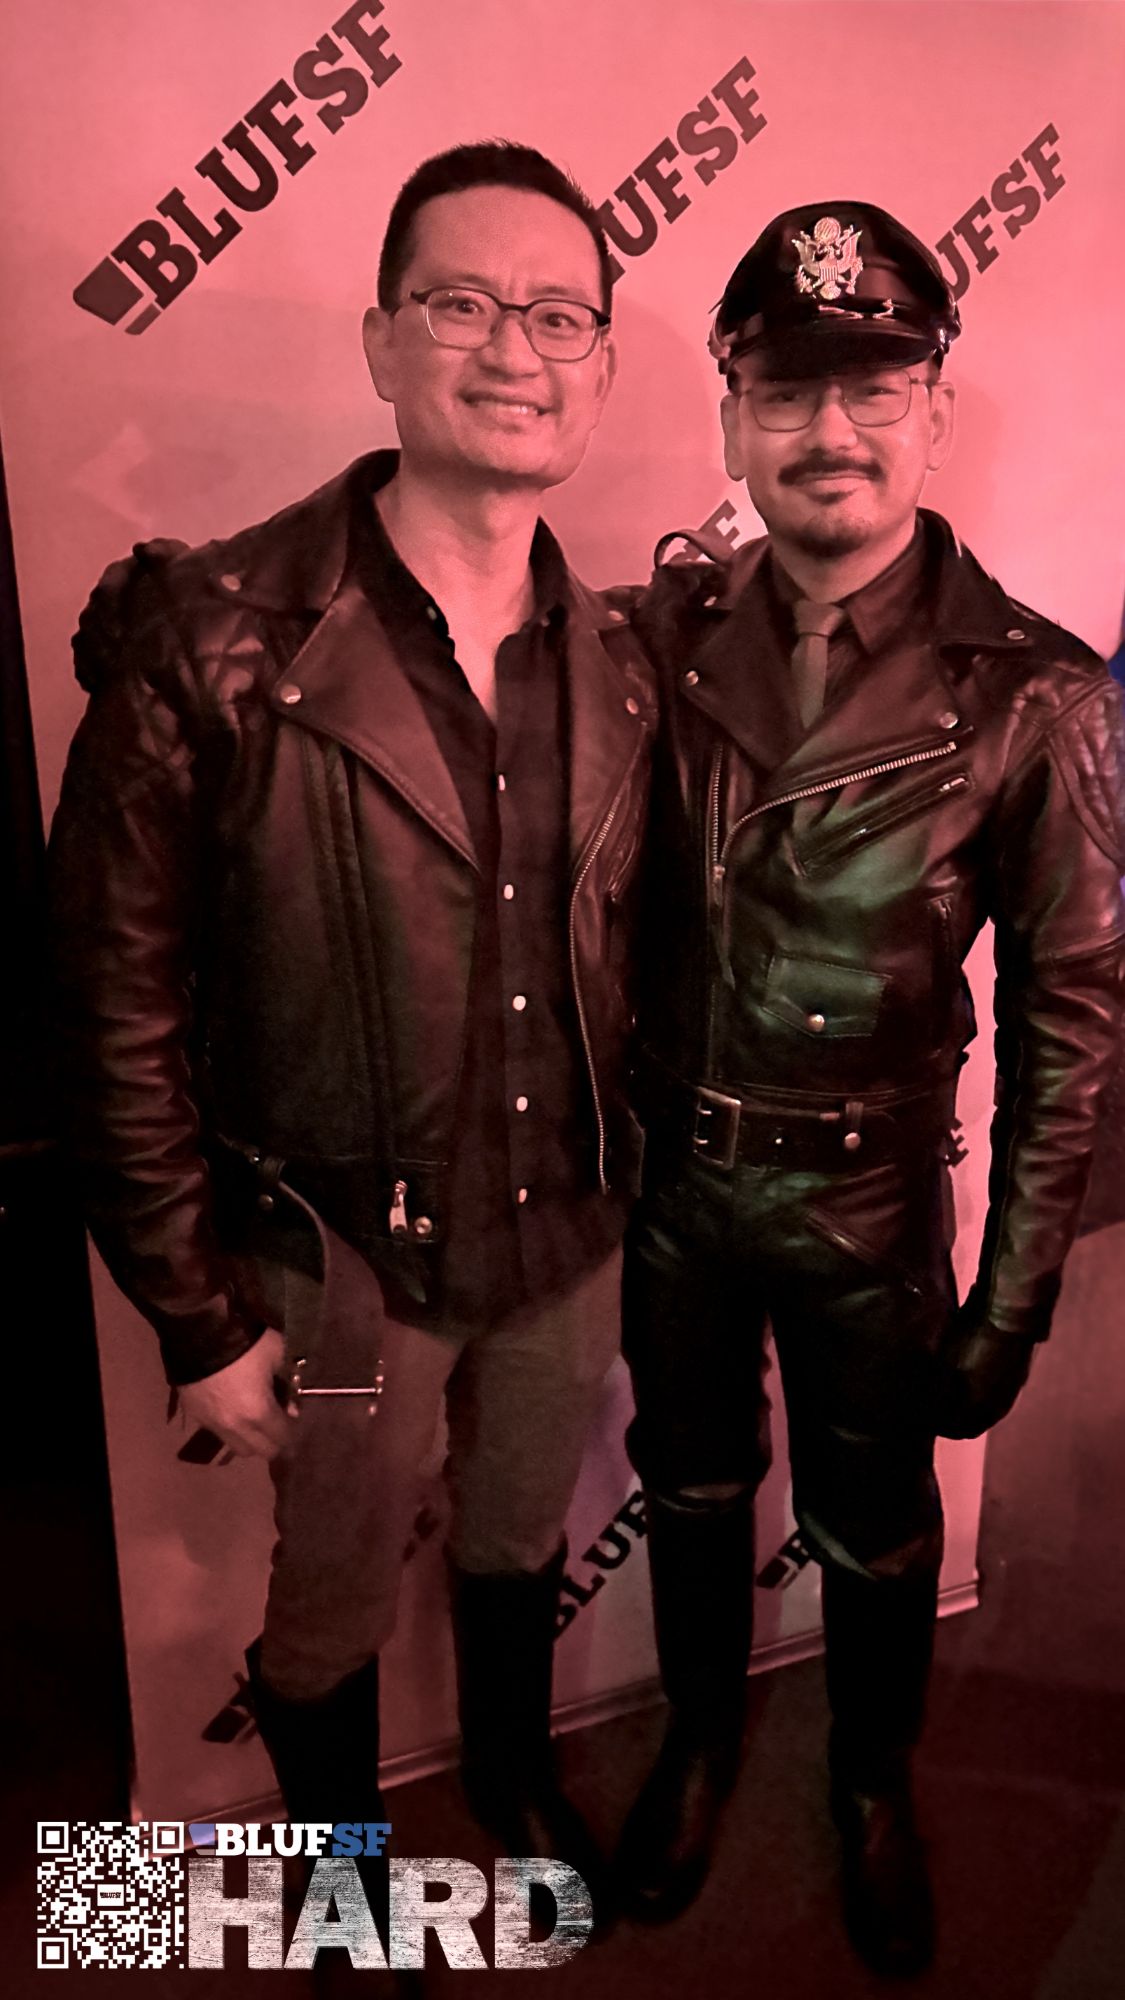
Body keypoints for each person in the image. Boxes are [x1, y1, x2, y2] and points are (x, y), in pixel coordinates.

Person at [49, 141, 654, 1926]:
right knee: (322, 1611)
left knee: (517, 1542)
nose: (513, 349)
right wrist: (192, 1309)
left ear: (601, 364)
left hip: (566, 1248)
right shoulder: (215, 638)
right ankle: (343, 1897)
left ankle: (516, 1779)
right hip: (337, 1276)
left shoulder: (622, 660)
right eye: (462, 303)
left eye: (558, 315)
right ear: (382, 340)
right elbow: (109, 1003)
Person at [614, 202, 1125, 1975]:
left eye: (873, 388)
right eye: (784, 391)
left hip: (866, 1199)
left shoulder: (1035, 692)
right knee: (687, 1491)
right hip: (674, 1186)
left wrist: (1016, 1292)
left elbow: (1073, 1014)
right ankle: (696, 1742)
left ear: (935, 411)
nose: (827, 431)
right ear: (729, 418)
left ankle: (868, 1783)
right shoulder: (649, 642)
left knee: (878, 1533)